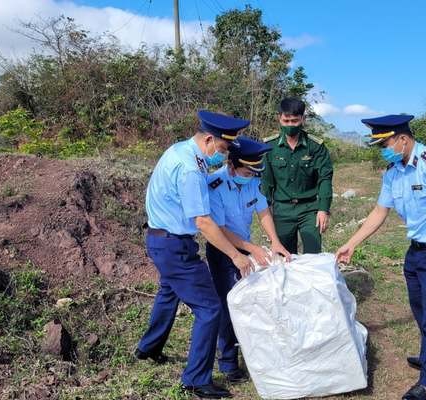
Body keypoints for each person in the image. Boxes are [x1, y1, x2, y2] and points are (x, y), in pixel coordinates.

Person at [335, 114, 426, 400]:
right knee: (422, 310)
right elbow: (379, 212)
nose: (382, 149)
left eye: (384, 143)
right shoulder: (393, 171)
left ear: (403, 139)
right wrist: (352, 243)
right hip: (416, 251)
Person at [135, 110, 254, 399]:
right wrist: (236, 256)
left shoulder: (178, 149)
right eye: (224, 149)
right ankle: (196, 380)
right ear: (210, 139)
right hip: (175, 246)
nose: (224, 156)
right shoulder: (190, 168)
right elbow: (203, 222)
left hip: (161, 239)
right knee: (210, 308)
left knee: (168, 292)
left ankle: (148, 349)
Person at [206, 136, 291, 383]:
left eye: (256, 171)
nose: (252, 175)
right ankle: (228, 363)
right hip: (223, 250)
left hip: (245, 247)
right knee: (228, 304)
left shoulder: (252, 179)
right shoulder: (215, 185)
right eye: (247, 170)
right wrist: (250, 248)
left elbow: (263, 211)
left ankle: (257, 351)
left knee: (251, 301)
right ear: (232, 166)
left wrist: (274, 241)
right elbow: (219, 230)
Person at [261, 97, 333, 254]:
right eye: (286, 121)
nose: (290, 125)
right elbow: (266, 184)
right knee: (284, 257)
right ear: (279, 118)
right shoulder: (269, 147)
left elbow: (325, 179)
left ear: (303, 119)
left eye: (295, 121)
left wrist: (323, 209)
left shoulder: (315, 147)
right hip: (282, 210)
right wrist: (265, 213)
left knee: (313, 256)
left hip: (309, 209)